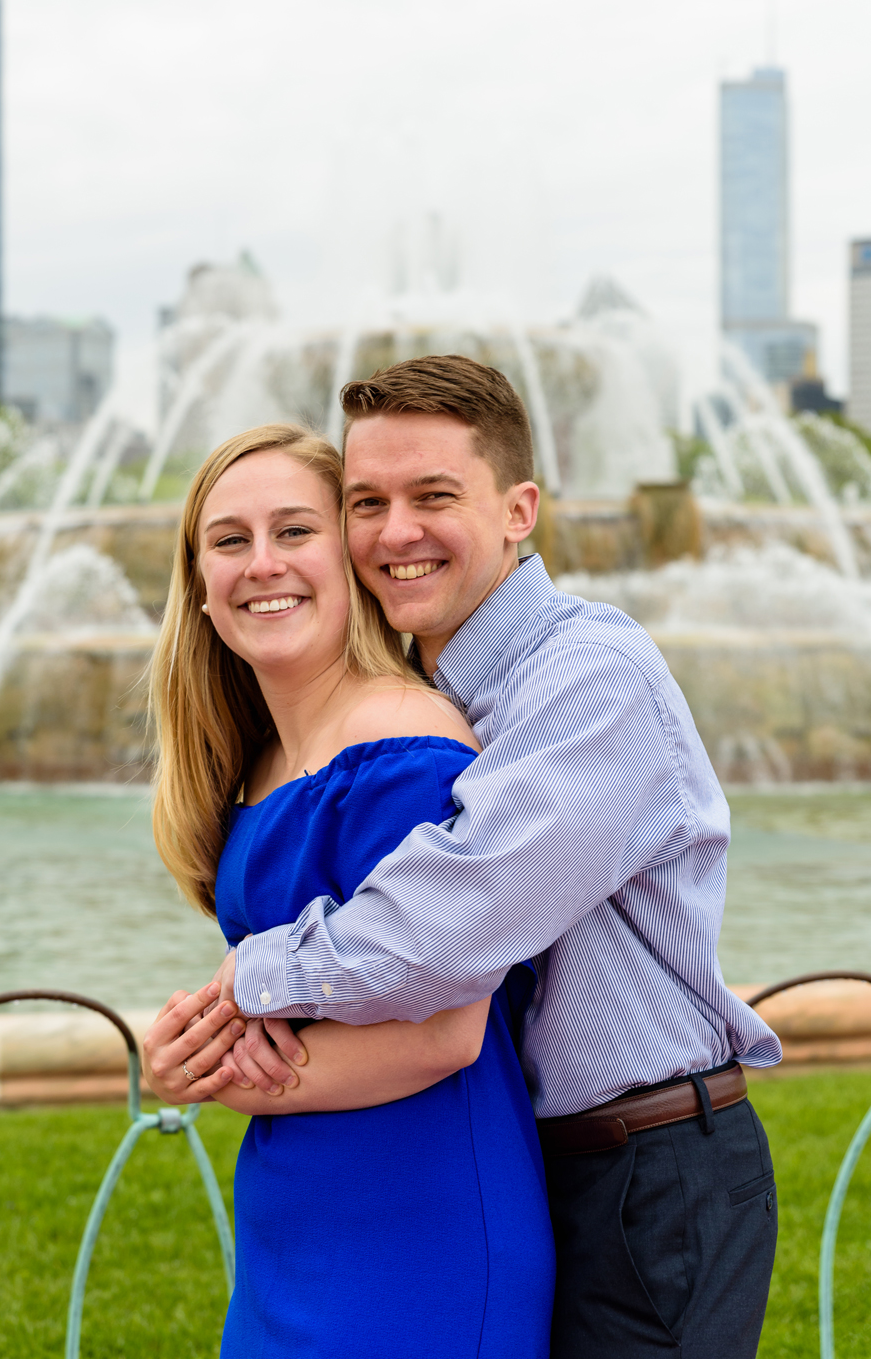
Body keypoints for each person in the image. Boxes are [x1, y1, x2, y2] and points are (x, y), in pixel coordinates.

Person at [150, 356, 781, 1357]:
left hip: (651, 1164)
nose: (395, 532)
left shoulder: (587, 677)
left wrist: (239, 1002)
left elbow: (444, 924)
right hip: (543, 1154)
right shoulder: (450, 693)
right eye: (367, 501)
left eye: (432, 496)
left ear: (517, 508)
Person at [138, 421, 552, 1355]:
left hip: (421, 1224)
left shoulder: (405, 742)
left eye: (296, 531)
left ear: (351, 561)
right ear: (200, 588)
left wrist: (232, 1083)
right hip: (300, 1218)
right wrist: (183, 1060)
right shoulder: (261, 763)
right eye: (230, 540)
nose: (263, 564)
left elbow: (447, 1031)